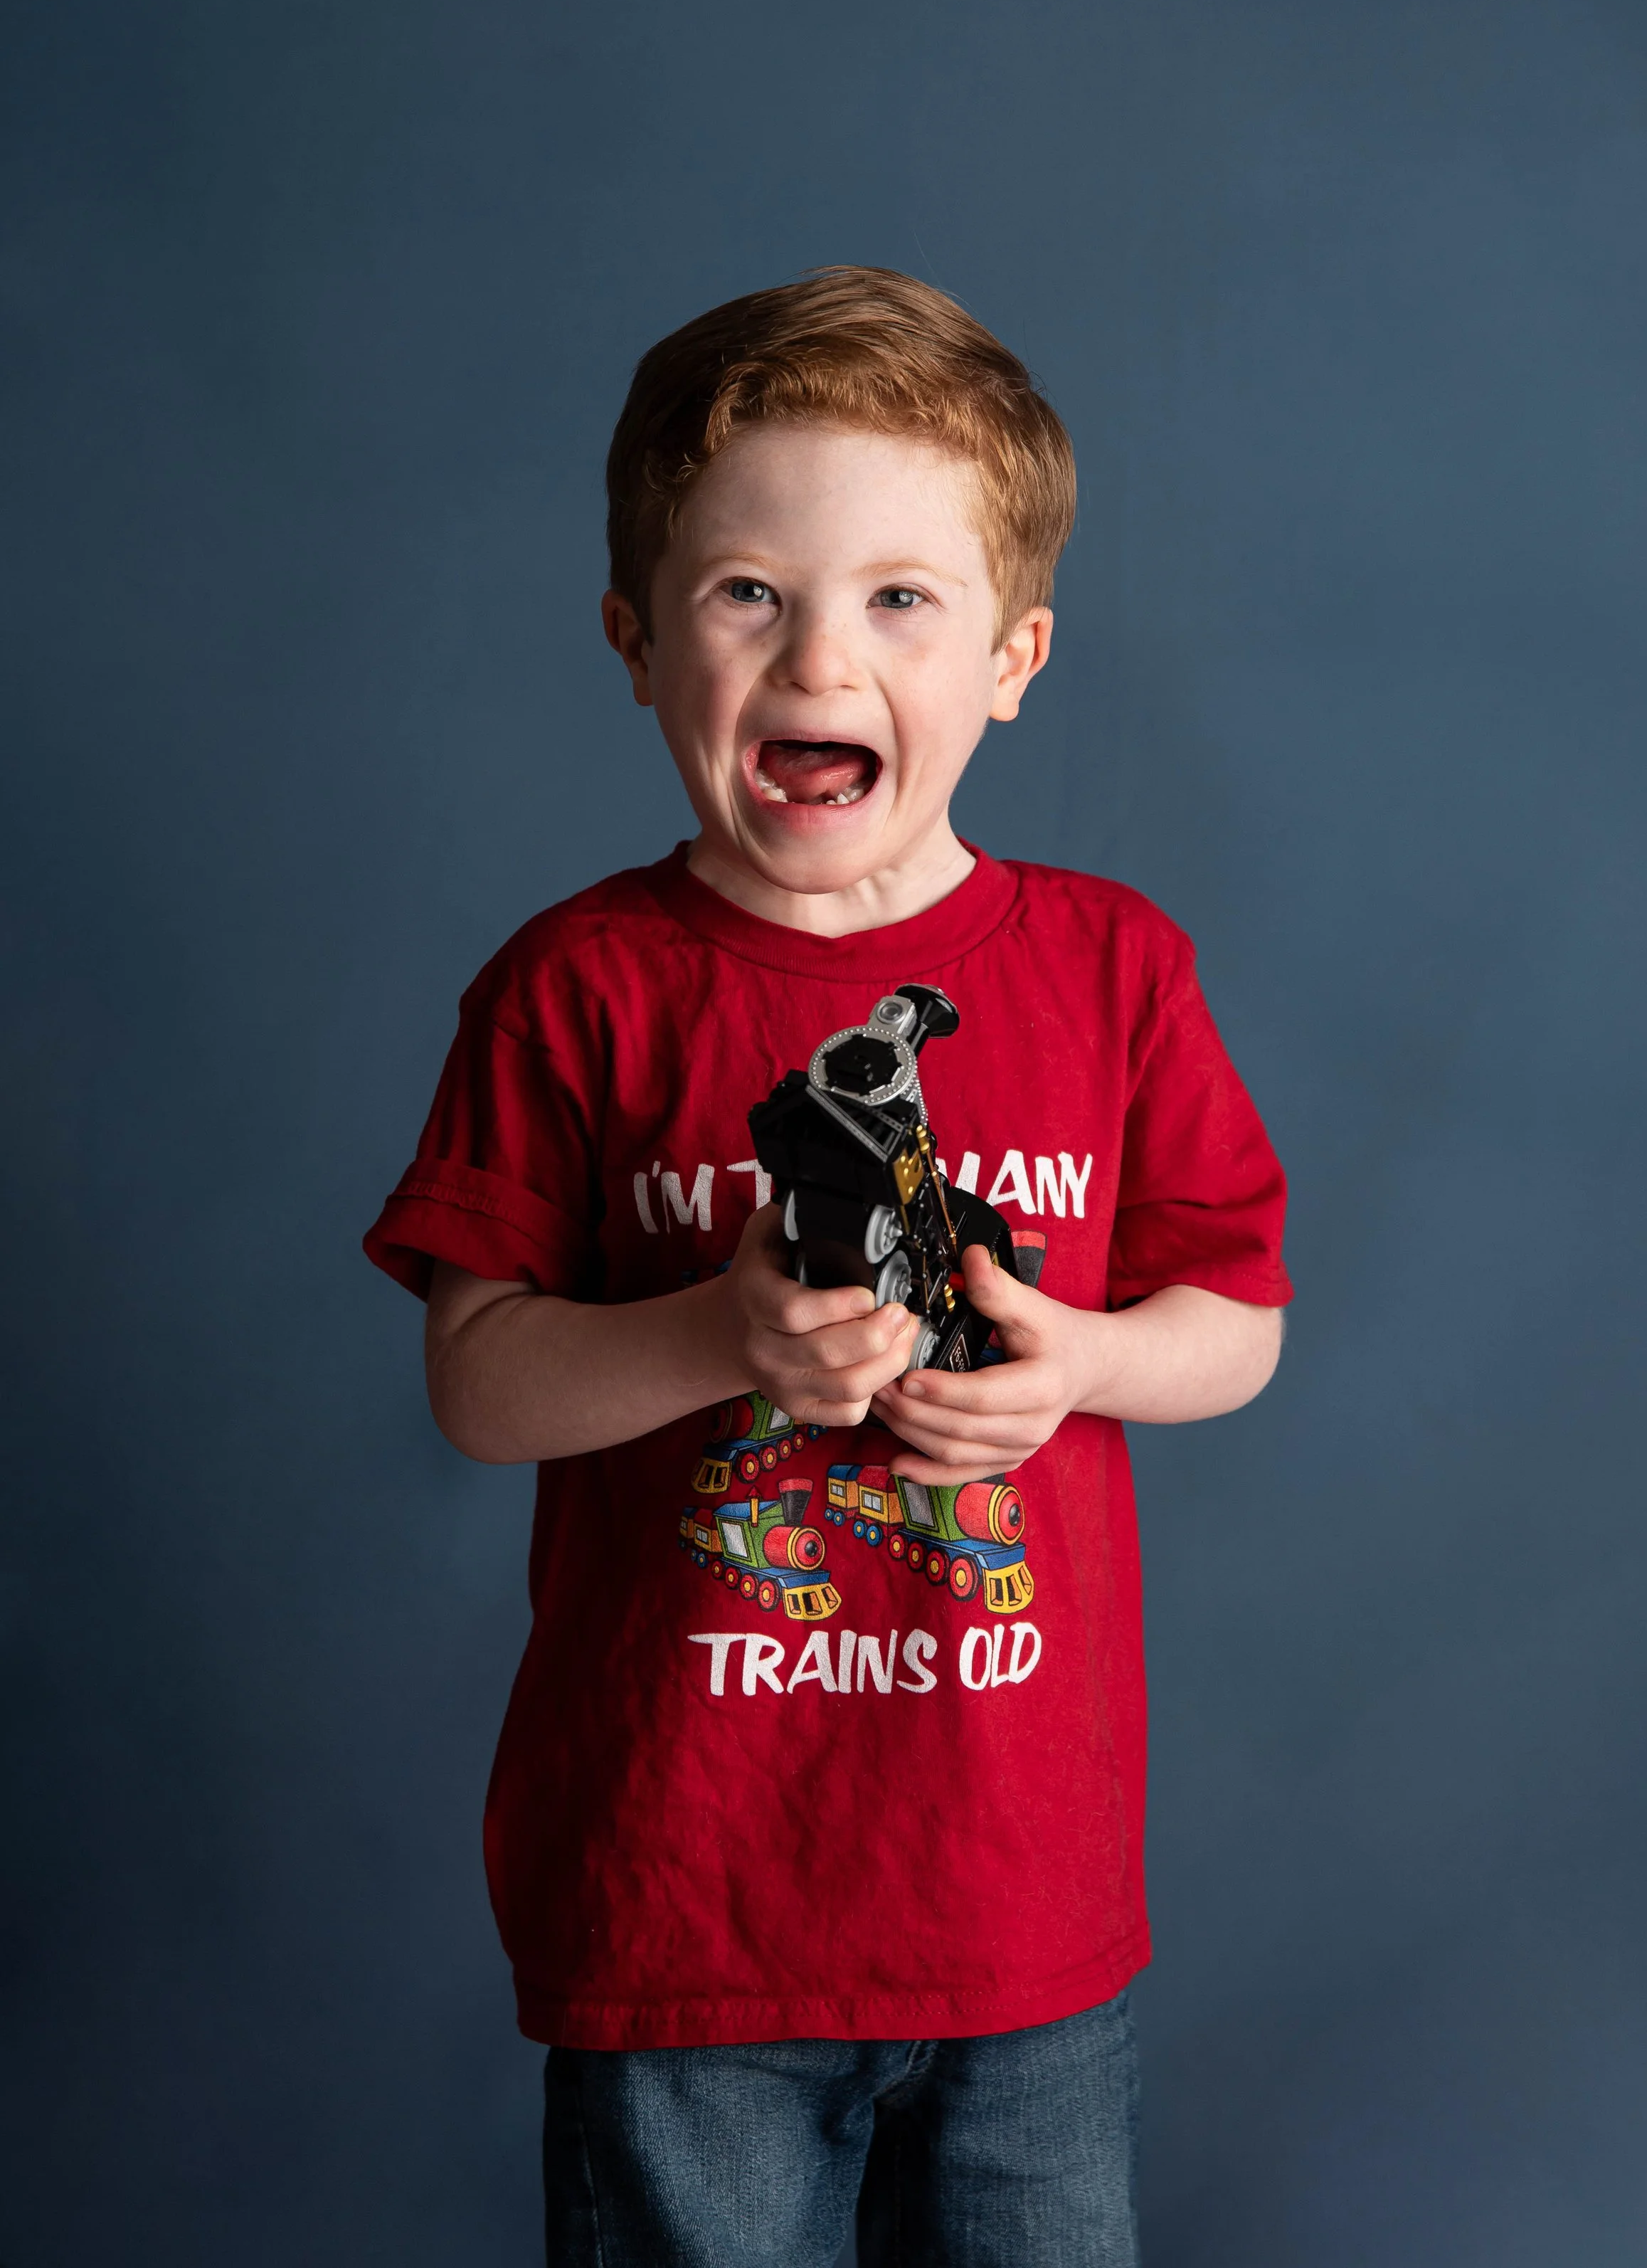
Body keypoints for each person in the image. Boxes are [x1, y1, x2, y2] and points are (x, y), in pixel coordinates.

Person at [364, 265, 1292, 2268]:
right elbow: (477, 1381)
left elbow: (1237, 1325)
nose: (818, 654)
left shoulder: (1112, 968)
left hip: (1018, 1912)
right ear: (634, 640)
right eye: (742, 594)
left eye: (898, 597)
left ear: (1014, 654)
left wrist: (1079, 1367)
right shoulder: (577, 989)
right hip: (686, 1910)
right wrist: (715, 1333)